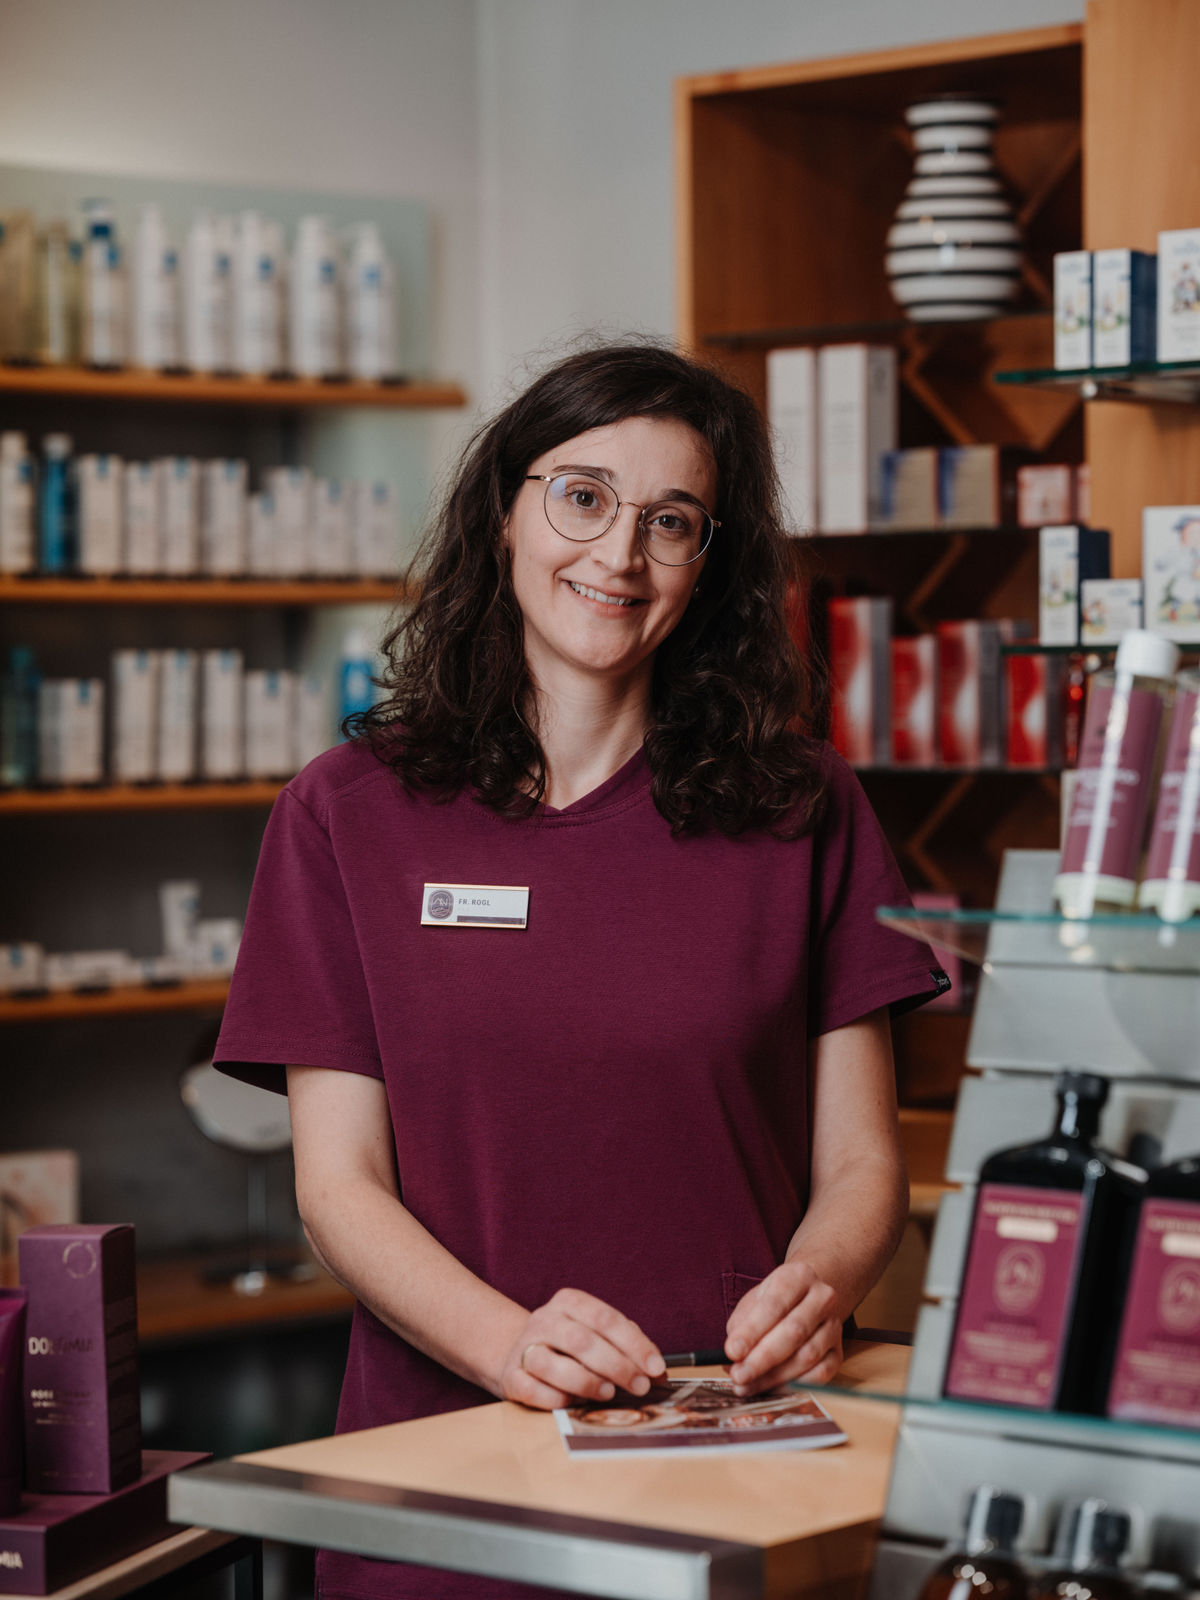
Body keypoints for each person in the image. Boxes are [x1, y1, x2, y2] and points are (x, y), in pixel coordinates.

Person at [214, 341, 947, 1600]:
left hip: (742, 1458)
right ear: (504, 508)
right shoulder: (348, 812)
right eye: (584, 495)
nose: (619, 554)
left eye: (672, 521)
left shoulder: (804, 807)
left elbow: (862, 1163)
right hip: (443, 1473)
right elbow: (338, 1188)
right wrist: (509, 1343)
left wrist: (821, 1282)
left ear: (709, 564)